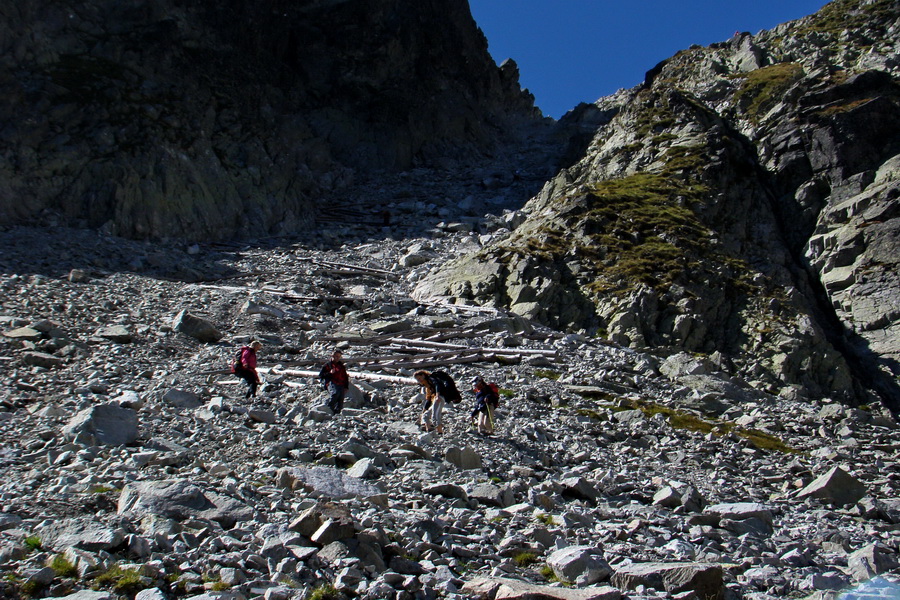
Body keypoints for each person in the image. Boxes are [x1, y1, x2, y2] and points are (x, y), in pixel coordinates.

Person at [319, 349, 350, 414]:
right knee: (335, 394)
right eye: (336, 356)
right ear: (332, 356)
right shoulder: (327, 365)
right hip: (331, 382)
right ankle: (329, 410)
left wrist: (346, 386)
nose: (337, 358)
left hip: (341, 384)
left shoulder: (341, 366)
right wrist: (329, 373)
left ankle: (337, 413)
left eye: (339, 356)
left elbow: (345, 376)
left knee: (340, 399)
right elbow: (321, 375)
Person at [414, 370, 445, 434]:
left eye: (419, 378)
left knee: (435, 416)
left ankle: (440, 432)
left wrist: (437, 395)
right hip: (434, 400)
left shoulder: (431, 379)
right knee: (425, 415)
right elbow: (428, 400)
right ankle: (429, 431)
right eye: (417, 379)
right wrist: (423, 411)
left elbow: (437, 385)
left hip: (439, 398)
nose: (419, 380)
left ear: (423, 375)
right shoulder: (427, 387)